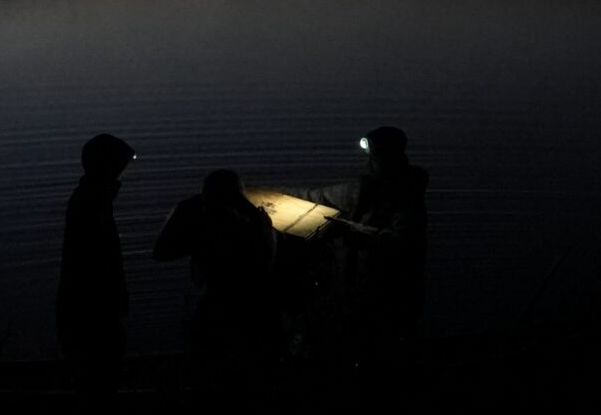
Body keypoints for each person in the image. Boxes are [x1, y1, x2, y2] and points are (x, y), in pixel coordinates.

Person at [282, 125, 428, 356]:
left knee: (383, 352)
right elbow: (316, 196)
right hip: (356, 293)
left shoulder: (408, 200)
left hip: (391, 300)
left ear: (390, 159)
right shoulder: (361, 190)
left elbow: (401, 246)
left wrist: (351, 230)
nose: (369, 164)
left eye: (376, 159)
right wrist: (267, 194)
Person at [153, 168, 277, 360]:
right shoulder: (258, 221)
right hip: (256, 306)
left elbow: (161, 251)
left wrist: (185, 214)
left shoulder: (215, 227)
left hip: (222, 303)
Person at [57, 133, 135, 406]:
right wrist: (113, 302)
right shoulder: (91, 204)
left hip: (86, 313)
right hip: (92, 314)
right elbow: (96, 262)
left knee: (94, 380)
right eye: (122, 163)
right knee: (98, 383)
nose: (123, 170)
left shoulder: (93, 199)